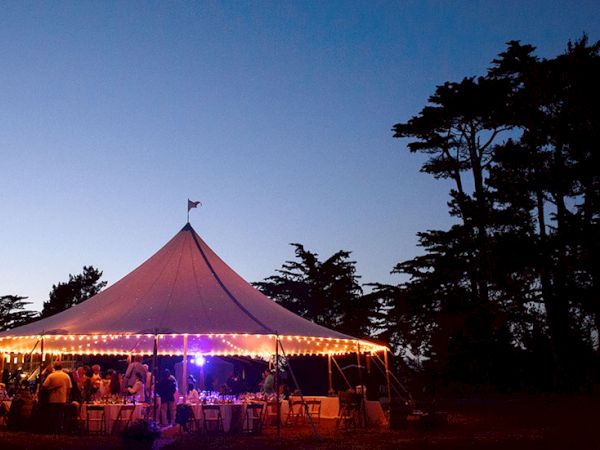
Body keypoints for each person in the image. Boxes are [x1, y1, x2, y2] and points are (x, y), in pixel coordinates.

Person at [42, 362, 72, 433]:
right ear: (61, 367)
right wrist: (67, 397)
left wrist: (52, 388)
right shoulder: (66, 376)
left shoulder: (51, 376)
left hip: (52, 399)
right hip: (62, 399)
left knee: (52, 415)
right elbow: (69, 388)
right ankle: (59, 429)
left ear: (54, 368)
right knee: (60, 415)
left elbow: (44, 386)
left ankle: (52, 429)